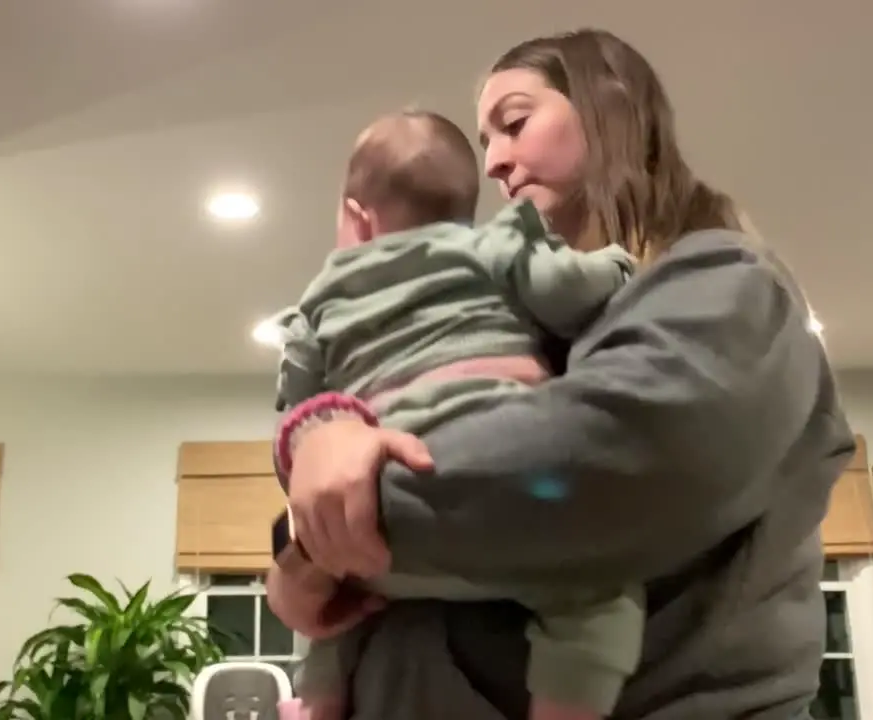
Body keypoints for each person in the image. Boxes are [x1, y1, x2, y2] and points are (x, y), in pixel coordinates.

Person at [266, 28, 855, 720]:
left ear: (609, 107)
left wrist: (311, 544)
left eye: (513, 123)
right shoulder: (532, 331)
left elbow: (583, 466)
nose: (492, 164)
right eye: (485, 141)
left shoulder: (730, 285)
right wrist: (327, 444)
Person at [271, 109, 640, 720]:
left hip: (382, 517)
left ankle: (317, 702)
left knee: (333, 611)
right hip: (498, 485)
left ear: (359, 220)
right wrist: (617, 266)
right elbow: (565, 289)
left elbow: (297, 412)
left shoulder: (316, 301)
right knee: (595, 591)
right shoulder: (491, 244)